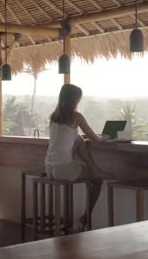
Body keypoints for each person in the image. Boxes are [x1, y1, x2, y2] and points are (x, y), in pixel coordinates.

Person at [45, 84, 111, 230]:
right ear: (74, 99)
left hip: (50, 167)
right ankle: (86, 216)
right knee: (97, 180)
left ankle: (95, 169)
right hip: (63, 169)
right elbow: (96, 140)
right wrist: (105, 136)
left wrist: (86, 137)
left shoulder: (54, 117)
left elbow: (68, 137)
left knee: (80, 139)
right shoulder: (76, 116)